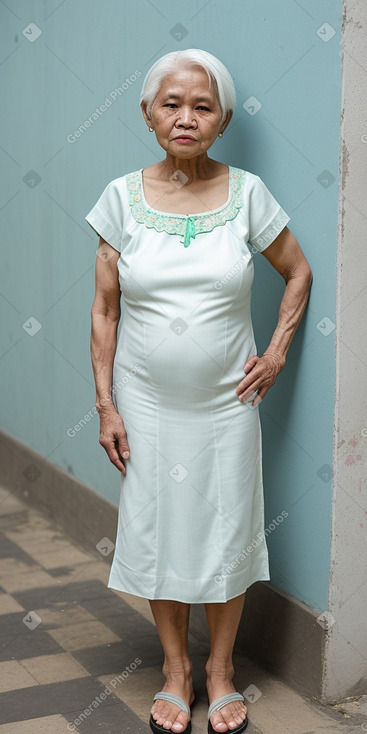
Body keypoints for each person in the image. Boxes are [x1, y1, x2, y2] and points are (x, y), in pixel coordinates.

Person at [85, 48, 312, 734]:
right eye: (172, 104)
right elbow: (104, 310)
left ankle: (220, 671)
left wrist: (273, 354)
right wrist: (106, 405)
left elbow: (297, 273)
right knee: (157, 529)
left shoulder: (248, 195)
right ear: (149, 112)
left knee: (225, 527)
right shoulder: (120, 199)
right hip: (145, 402)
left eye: (202, 106)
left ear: (222, 120)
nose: (186, 117)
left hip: (225, 402)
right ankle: (175, 670)